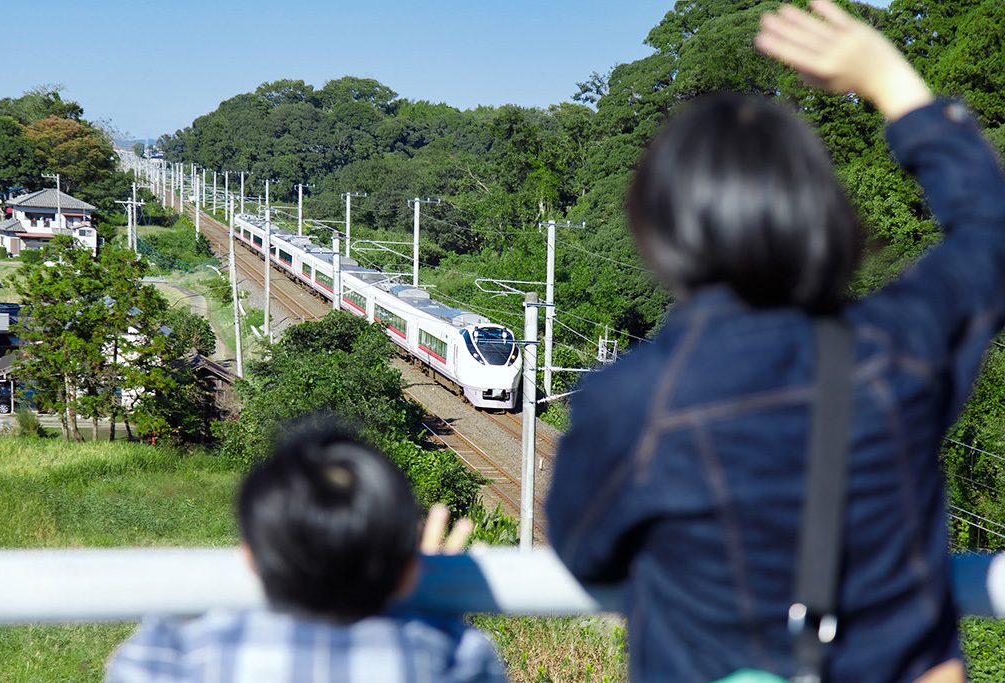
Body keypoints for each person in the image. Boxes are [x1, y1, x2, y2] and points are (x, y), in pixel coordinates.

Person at [546, 1, 1005, 681]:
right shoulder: (897, 349)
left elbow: (584, 551)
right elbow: (988, 232)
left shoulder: (629, 400)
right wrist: (891, 83)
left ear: (661, 229)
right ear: (820, 212)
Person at [106, 418, 505, 682]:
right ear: (410, 572)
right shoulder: (456, 659)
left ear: (249, 558)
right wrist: (439, 612)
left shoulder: (176, 656)